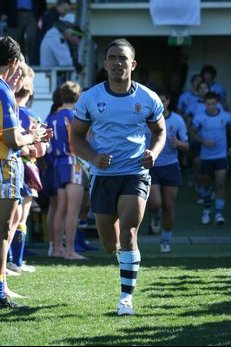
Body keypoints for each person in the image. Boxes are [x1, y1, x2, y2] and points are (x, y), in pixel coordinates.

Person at [70, 38, 166, 315]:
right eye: (112, 58)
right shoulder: (90, 98)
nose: (117, 63)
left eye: (122, 58)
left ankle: (126, 299)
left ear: (133, 64)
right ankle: (123, 260)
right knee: (109, 244)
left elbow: (160, 132)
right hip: (103, 175)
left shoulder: (148, 98)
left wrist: (154, 153)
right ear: (105, 64)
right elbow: (76, 136)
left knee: (129, 233)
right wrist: (93, 157)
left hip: (135, 173)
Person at [0, 36, 49, 309]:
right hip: (3, 165)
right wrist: (30, 138)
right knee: (3, 231)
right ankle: (0, 289)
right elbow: (10, 140)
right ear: (14, 62)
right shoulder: (3, 89)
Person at [146, 90, 189, 252]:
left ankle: (165, 239)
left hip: (171, 166)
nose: (161, 103)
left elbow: (187, 144)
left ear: (168, 101)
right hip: (152, 166)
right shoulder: (146, 119)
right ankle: (155, 214)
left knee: (169, 205)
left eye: (163, 100)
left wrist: (178, 143)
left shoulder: (177, 120)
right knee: (156, 203)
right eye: (158, 101)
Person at [190, 92, 231, 225]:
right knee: (206, 185)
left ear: (217, 103)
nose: (211, 106)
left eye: (213, 103)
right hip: (206, 157)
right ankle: (206, 211)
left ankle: (219, 214)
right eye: (208, 104)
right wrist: (203, 141)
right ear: (205, 104)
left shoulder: (226, 116)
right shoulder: (199, 117)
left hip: (221, 156)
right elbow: (192, 132)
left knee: (220, 183)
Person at [31, 0, 72, 65]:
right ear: (59, 6)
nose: (65, 13)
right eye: (65, 9)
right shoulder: (51, 18)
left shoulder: (49, 15)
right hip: (41, 47)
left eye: (67, 11)